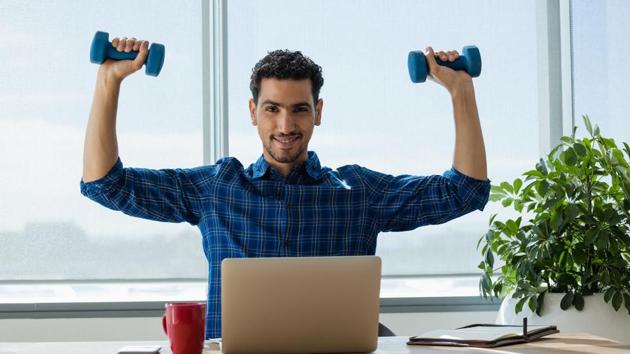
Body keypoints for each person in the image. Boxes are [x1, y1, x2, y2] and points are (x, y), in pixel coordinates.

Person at [81, 36, 490, 339]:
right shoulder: (217, 188)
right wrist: (109, 80)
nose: (285, 126)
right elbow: (106, 184)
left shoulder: (358, 191)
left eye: (299, 110)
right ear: (253, 112)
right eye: (272, 109)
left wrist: (461, 90)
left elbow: (463, 191)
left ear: (318, 113)